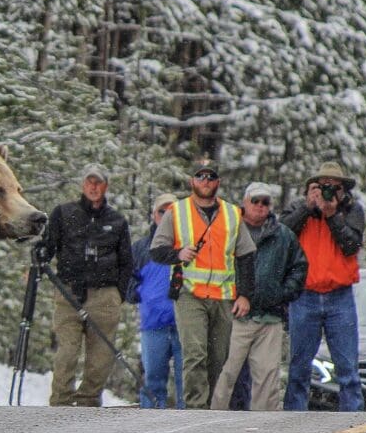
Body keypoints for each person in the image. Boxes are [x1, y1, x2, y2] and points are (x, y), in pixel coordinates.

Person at [150, 161, 256, 409]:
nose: (205, 181)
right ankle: (194, 407)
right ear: (192, 181)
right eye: (200, 176)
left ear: (218, 182)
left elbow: (247, 256)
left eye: (210, 177)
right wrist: (178, 254)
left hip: (223, 295)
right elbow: (156, 250)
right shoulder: (177, 211)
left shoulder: (232, 213)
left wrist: (245, 295)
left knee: (217, 358)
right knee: (195, 353)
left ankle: (206, 407)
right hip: (189, 293)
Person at [40, 163, 133, 407]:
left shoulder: (117, 221)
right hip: (69, 292)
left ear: (106, 186)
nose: (93, 186)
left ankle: (88, 402)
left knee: (100, 358)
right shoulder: (63, 213)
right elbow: (47, 248)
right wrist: (39, 255)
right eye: (89, 182)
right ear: (83, 184)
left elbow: (127, 262)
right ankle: (60, 401)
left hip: (104, 296)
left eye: (98, 182)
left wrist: (117, 295)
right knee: (67, 351)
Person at [211, 182, 308, 411]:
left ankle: (265, 430)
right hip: (234, 315)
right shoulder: (228, 230)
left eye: (265, 202)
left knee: (267, 377)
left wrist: (283, 293)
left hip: (269, 317)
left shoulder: (283, 235)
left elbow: (299, 267)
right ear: (245, 203)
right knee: (225, 373)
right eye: (255, 201)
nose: (260, 206)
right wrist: (227, 294)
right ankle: (211, 419)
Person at [280, 161, 365, 412]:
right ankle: (293, 418)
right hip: (305, 295)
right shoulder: (300, 209)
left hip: (340, 296)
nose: (329, 192)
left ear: (343, 190)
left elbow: (351, 245)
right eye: (323, 186)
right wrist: (308, 208)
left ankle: (352, 419)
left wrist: (332, 216)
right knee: (299, 367)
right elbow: (281, 235)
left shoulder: (352, 211)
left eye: (334, 187)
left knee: (347, 367)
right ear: (311, 188)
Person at [127, 193, 185, 409]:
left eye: (173, 212)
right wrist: (139, 293)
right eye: (163, 211)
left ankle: (189, 432)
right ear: (154, 215)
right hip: (153, 324)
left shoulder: (187, 246)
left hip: (184, 325)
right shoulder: (141, 248)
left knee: (186, 383)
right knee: (152, 383)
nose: (167, 216)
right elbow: (127, 278)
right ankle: (147, 428)